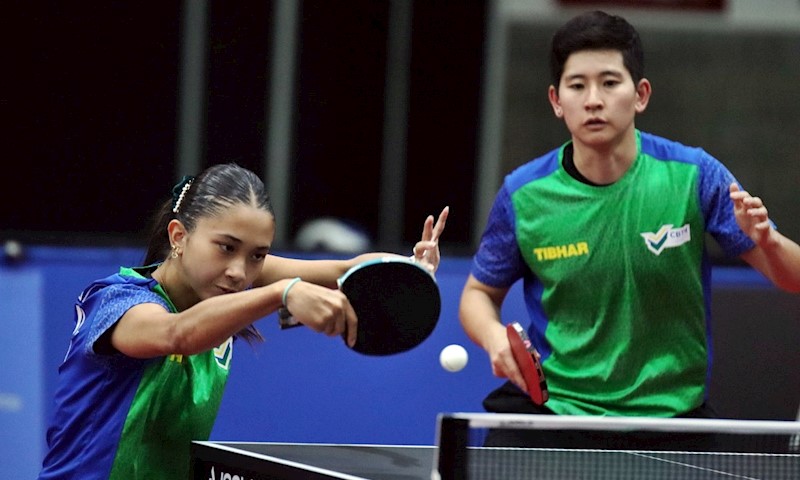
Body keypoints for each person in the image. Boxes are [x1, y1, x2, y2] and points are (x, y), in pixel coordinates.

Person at [458, 10, 800, 449]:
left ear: (640, 95)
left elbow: (791, 279)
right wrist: (493, 337)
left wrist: (767, 241)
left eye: (609, 83)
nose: (593, 100)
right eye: (577, 86)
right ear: (556, 101)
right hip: (557, 412)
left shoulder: (693, 176)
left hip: (671, 420)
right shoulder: (524, 194)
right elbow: (478, 294)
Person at [38, 163, 448, 479]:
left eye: (257, 255)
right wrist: (281, 292)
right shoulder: (117, 301)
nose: (239, 271)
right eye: (225, 247)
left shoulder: (225, 286)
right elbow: (176, 333)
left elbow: (345, 269)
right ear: (179, 236)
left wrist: (409, 270)